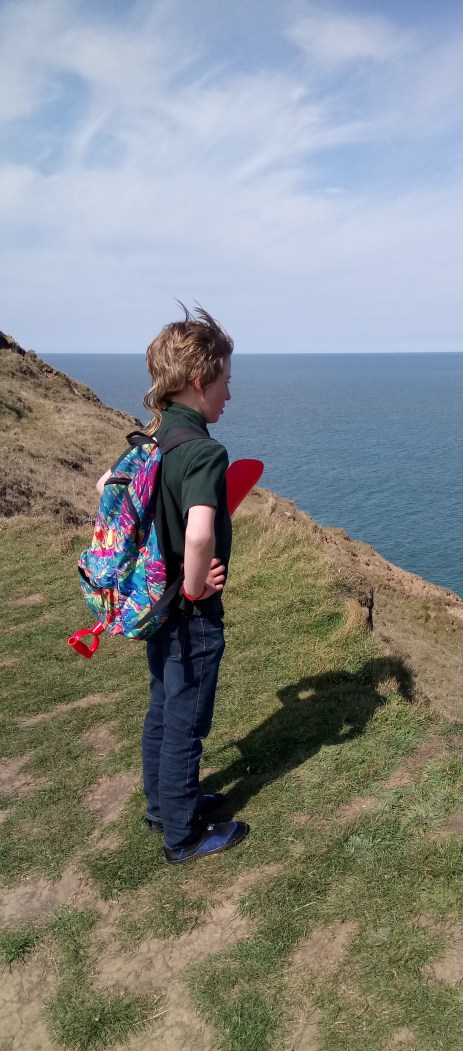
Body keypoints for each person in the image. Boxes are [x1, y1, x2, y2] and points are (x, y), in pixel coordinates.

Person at [97, 305, 249, 863]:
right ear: (199, 380)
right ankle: (183, 836)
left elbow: (105, 487)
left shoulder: (149, 443)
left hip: (153, 603)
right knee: (187, 722)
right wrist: (194, 585)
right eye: (225, 381)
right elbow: (201, 532)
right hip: (189, 612)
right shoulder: (204, 452)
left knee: (163, 707)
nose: (229, 394)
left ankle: (163, 806)